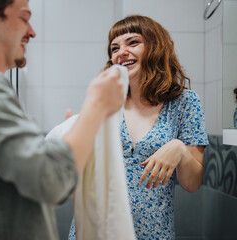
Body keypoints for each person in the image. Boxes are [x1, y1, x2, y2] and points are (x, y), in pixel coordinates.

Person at [0, 0, 126, 239]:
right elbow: (51, 180)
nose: (32, 31)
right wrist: (95, 106)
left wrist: (70, 135)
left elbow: (14, 172)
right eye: (24, 18)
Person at [68, 15, 209, 240]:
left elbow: (191, 184)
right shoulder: (106, 101)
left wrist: (180, 149)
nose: (121, 52)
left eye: (132, 42)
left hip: (153, 234)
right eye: (114, 48)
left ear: (155, 47)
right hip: (95, 231)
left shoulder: (185, 103)